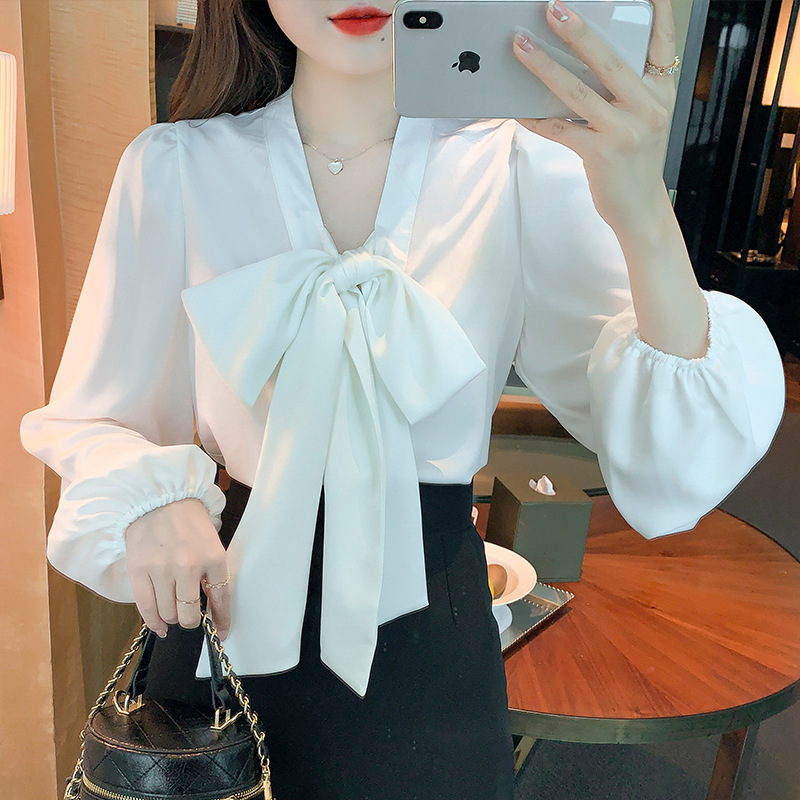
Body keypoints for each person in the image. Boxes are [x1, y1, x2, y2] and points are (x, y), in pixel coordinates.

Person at [19, 1, 785, 798]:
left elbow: (672, 451)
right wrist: (152, 500)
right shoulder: (175, 168)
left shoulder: (519, 167)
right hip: (219, 649)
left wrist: (642, 208)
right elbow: (94, 417)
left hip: (430, 661)